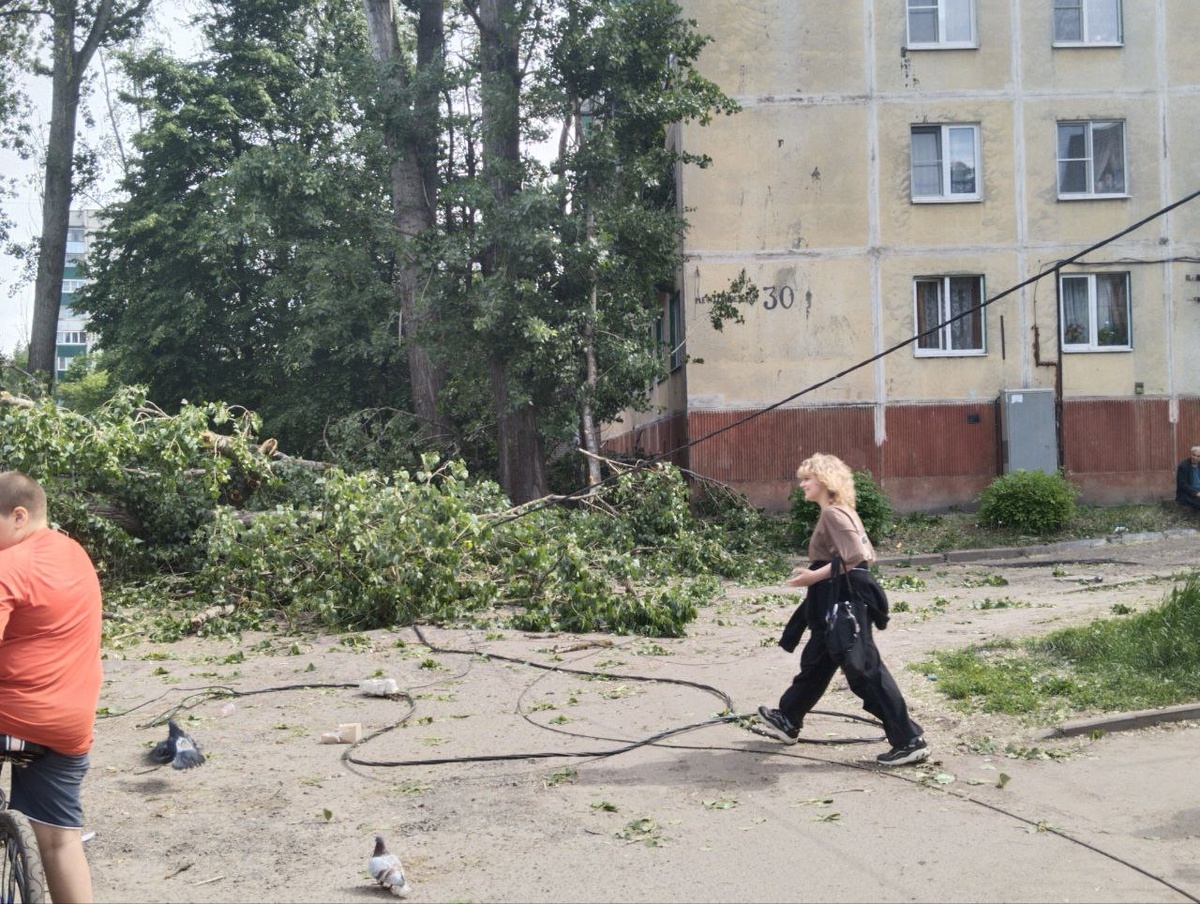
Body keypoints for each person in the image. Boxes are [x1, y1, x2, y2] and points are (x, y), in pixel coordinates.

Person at [757, 453, 929, 766]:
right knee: (818, 661)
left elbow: (857, 558)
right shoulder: (845, 511)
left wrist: (813, 576)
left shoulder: (834, 515)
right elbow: (868, 555)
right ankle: (788, 717)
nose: (802, 485)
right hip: (835, 601)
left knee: (863, 670)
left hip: (842, 602)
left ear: (824, 481)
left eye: (807, 479)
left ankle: (908, 739)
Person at [0, 471, 103, 903]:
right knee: (62, 842)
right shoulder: (76, 554)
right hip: (70, 726)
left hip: (12, 713)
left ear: (19, 515)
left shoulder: (9, 565)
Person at [1176, 446, 1200, 511]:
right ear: (1191, 454)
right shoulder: (1183, 466)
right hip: (1188, 493)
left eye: (1198, 456)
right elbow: (1183, 484)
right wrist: (1196, 493)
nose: (1195, 458)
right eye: (1194, 455)